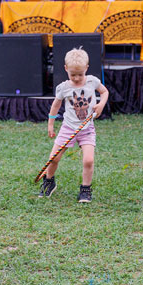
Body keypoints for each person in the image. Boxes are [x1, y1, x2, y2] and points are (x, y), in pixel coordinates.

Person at [39, 48, 109, 203]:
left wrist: (101, 104)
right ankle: (49, 181)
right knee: (53, 158)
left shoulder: (92, 81)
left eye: (80, 74)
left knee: (88, 160)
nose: (77, 78)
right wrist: (50, 124)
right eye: (73, 75)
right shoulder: (64, 87)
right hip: (68, 128)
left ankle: (85, 189)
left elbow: (104, 92)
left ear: (87, 68)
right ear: (66, 69)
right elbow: (55, 106)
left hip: (87, 129)